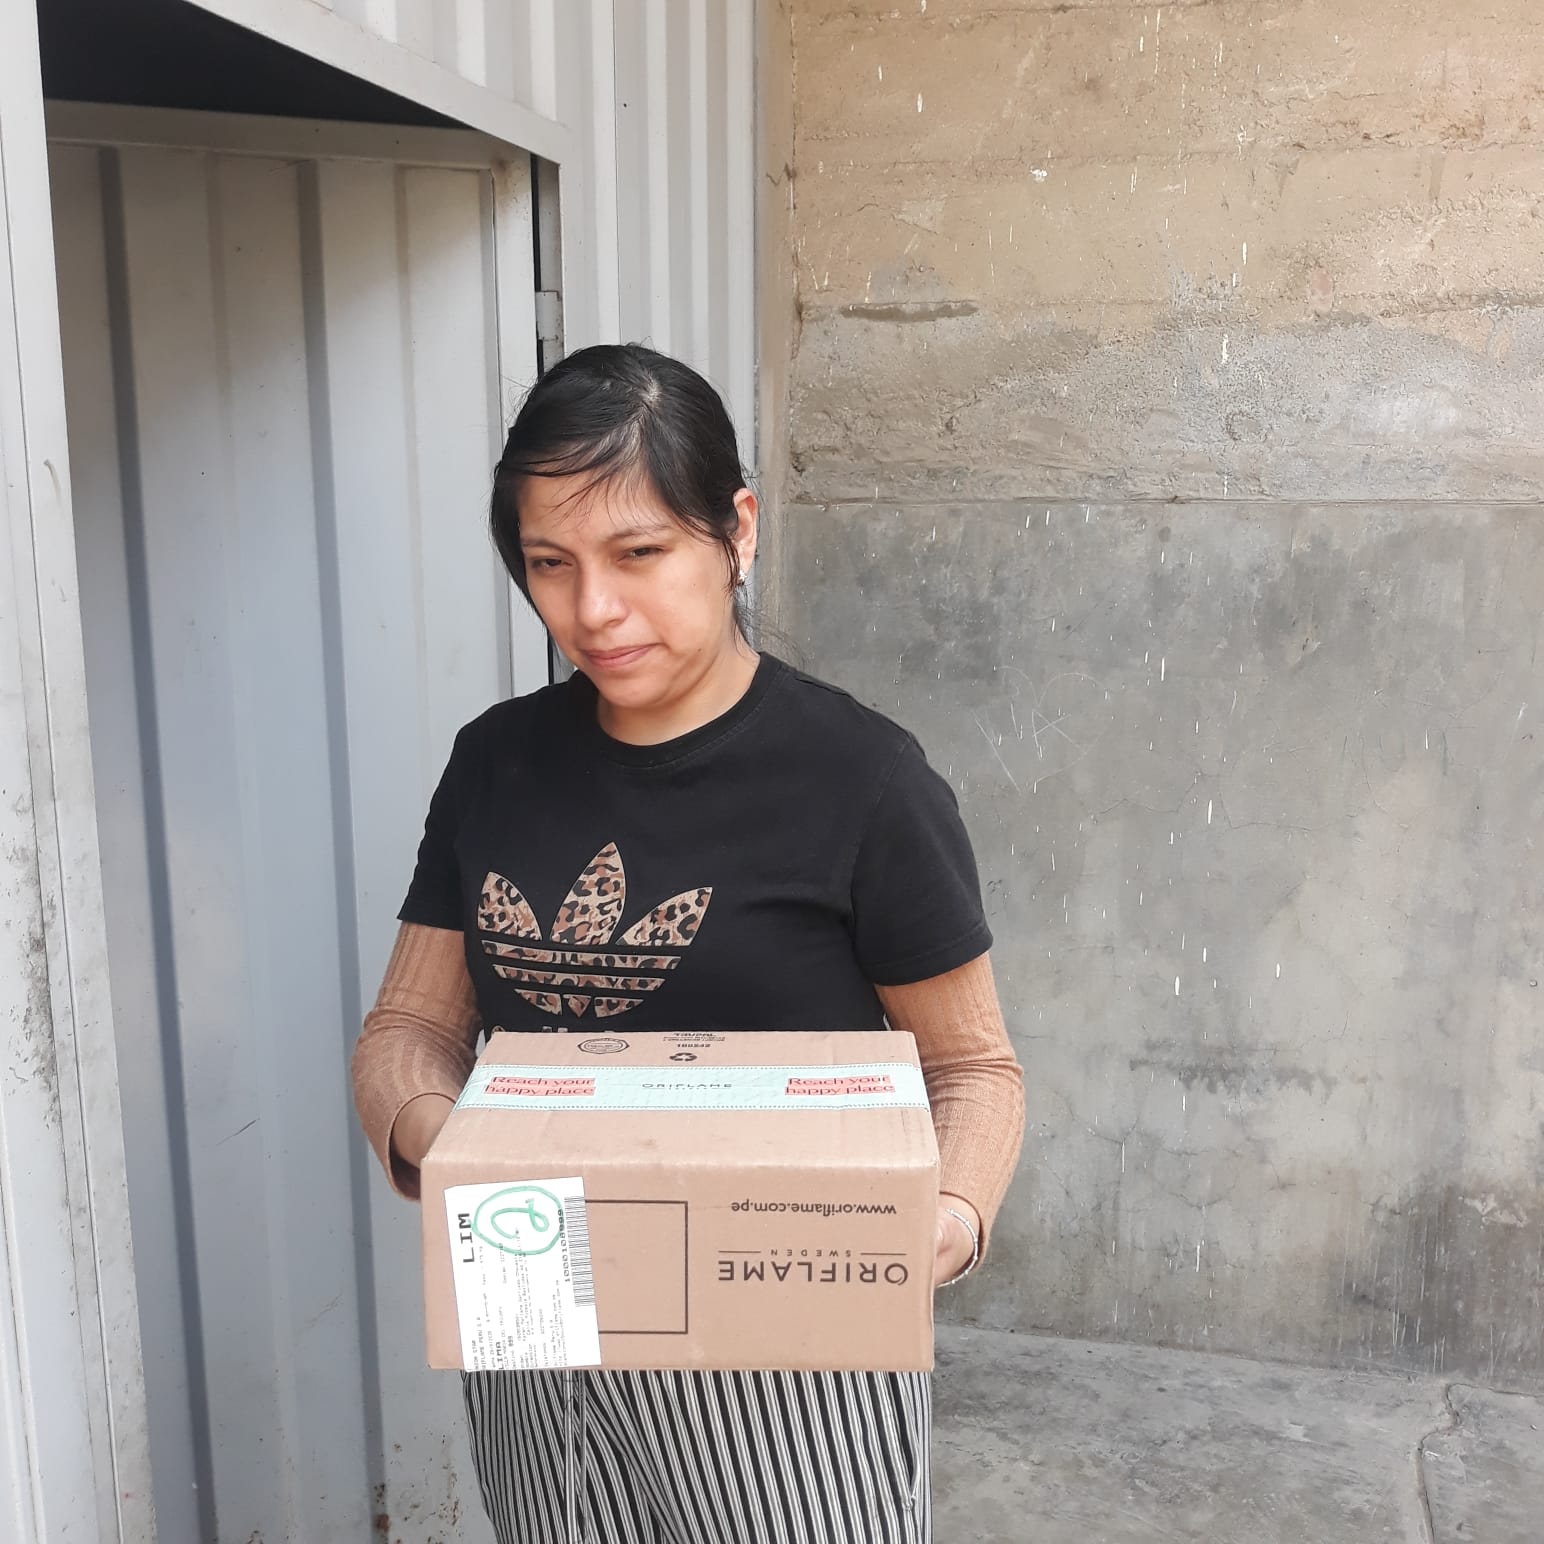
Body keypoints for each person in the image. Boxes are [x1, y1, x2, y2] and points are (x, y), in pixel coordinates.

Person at [351, 343, 1025, 1544]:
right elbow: (409, 1027)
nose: (592, 610)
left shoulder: (859, 779)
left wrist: (944, 1217)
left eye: (638, 553)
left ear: (735, 532)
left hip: (782, 1340)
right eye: (549, 563)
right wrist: (459, 1150)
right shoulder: (496, 761)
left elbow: (972, 1066)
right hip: (539, 1303)